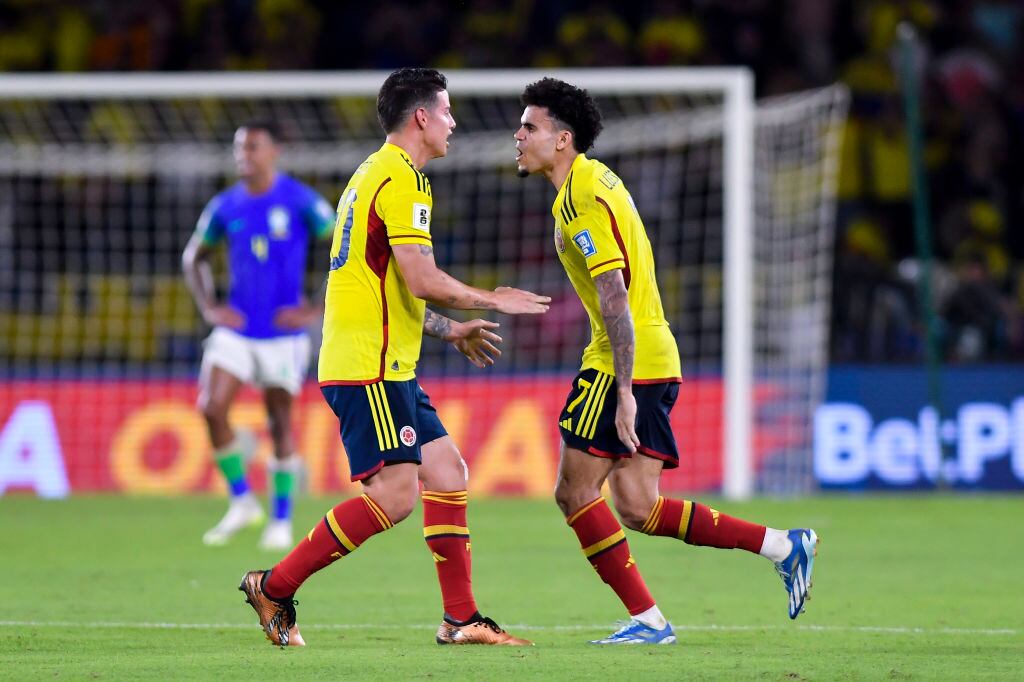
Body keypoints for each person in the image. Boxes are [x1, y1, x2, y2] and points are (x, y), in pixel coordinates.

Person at [239, 68, 549, 648]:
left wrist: (448, 330)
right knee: (396, 495)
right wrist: (492, 298)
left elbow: (386, 282)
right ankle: (274, 586)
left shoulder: (372, 173)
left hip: (387, 365)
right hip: (369, 367)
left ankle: (461, 619)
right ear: (422, 117)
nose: (453, 123)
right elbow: (422, 279)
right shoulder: (401, 179)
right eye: (447, 112)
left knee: (448, 472)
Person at [513, 77, 818, 644]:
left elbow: (614, 293)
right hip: (657, 350)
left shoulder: (579, 197)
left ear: (562, 139)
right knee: (637, 505)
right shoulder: (595, 180)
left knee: (574, 492)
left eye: (530, 126)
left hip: (619, 361)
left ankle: (649, 620)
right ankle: (782, 545)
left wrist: (624, 390)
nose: (518, 135)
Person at [182, 120, 335, 551]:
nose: (243, 156)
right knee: (211, 407)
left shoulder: (302, 200)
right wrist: (209, 306)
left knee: (279, 421)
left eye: (252, 147)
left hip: (284, 333)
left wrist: (314, 308)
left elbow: (343, 247)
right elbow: (194, 256)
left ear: (274, 151)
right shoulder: (225, 205)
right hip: (237, 329)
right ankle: (242, 501)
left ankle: (281, 519)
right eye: (238, 148)